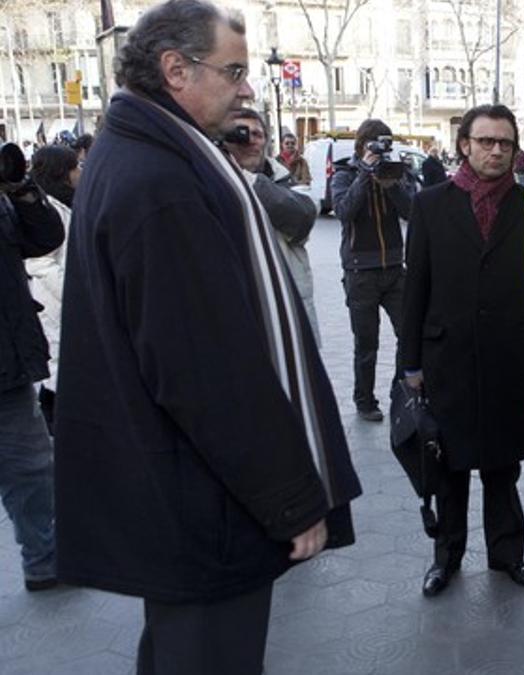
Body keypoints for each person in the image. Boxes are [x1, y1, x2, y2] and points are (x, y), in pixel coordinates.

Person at [54, 3, 361, 674]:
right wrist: (291, 497)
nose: (247, 87)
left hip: (182, 498)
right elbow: (207, 372)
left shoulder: (143, 152)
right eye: (234, 71)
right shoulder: (161, 182)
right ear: (175, 70)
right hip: (204, 509)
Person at [402, 104, 524, 597]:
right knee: (450, 466)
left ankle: (509, 556)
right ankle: (447, 557)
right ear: (464, 144)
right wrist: (410, 365)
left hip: (507, 357)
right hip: (448, 359)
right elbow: (414, 287)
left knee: (503, 465)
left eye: (504, 142)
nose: (495, 151)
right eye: (485, 141)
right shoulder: (431, 204)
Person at [0, 144, 62, 593]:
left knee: (33, 467)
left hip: (7, 361)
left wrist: (21, 189)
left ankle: (44, 560)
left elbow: (45, 237)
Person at [331, 118, 413, 421]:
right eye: (375, 143)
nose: (381, 149)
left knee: (409, 334)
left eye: (385, 143)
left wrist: (391, 186)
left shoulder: (393, 171)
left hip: (394, 268)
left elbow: (411, 211)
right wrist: (365, 175)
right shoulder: (344, 173)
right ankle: (364, 401)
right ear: (361, 145)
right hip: (359, 272)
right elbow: (343, 212)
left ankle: (398, 391)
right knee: (367, 343)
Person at [226, 109, 321, 343]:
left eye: (258, 134)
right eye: (242, 133)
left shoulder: (283, 178)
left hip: (288, 311)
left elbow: (302, 218)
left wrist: (244, 178)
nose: (251, 140)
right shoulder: (211, 181)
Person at [25, 144, 81, 431]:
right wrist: (76, 295)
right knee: (58, 376)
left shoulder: (65, 204)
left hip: (64, 304)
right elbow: (40, 264)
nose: (79, 173)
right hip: (56, 304)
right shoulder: (48, 210)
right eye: (74, 168)